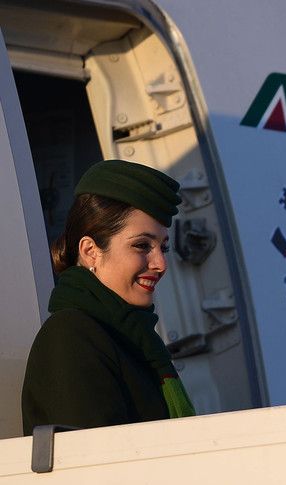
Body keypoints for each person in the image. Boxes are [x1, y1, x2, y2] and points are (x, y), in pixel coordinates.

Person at [21, 160, 194, 435]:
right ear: (90, 251)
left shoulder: (134, 339)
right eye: (142, 245)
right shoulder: (71, 335)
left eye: (163, 247)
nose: (160, 264)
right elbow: (91, 459)